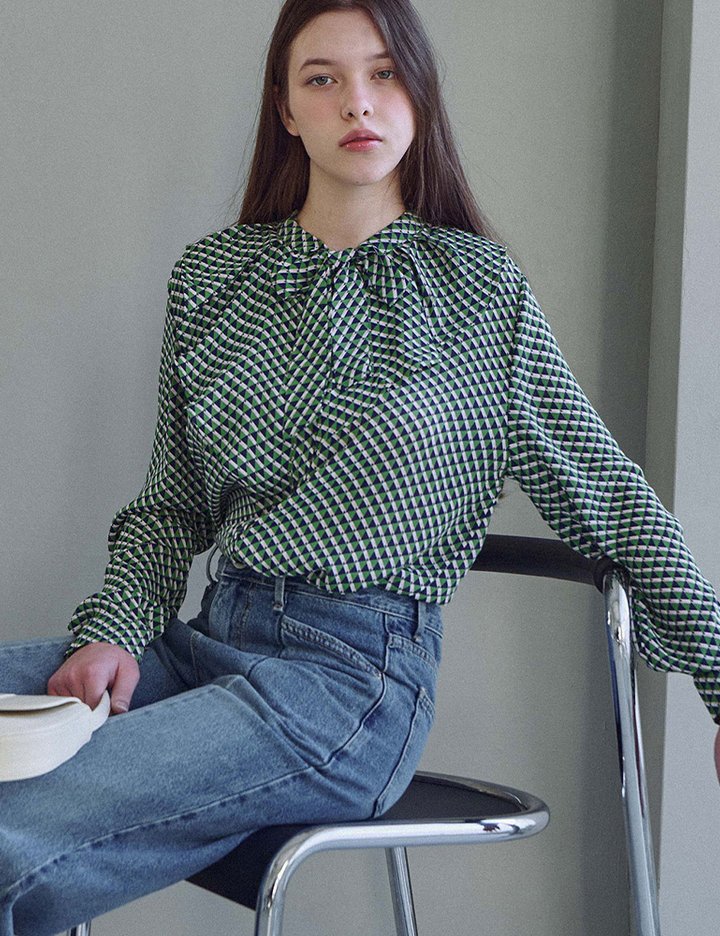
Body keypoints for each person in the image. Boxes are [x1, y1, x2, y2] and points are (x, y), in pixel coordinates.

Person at [1, 0, 718, 932]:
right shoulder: (214, 279)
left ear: (418, 95)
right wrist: (113, 631)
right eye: (323, 78)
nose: (357, 102)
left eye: (383, 73)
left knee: (18, 826)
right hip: (204, 645)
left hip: (350, 684)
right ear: (286, 108)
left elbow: (608, 496)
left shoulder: (479, 291)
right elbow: (172, 509)